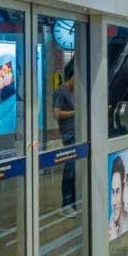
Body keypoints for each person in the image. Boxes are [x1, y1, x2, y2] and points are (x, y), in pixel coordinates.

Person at [53, 64, 78, 218]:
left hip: (77, 134)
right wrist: (75, 112)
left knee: (76, 169)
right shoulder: (60, 92)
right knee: (70, 169)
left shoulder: (73, 92)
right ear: (73, 76)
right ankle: (66, 204)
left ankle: (74, 202)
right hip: (68, 135)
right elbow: (56, 114)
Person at [108, 156, 128, 239]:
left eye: (117, 191)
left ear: (123, 191)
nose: (114, 202)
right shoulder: (111, 218)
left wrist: (115, 238)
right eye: (112, 192)